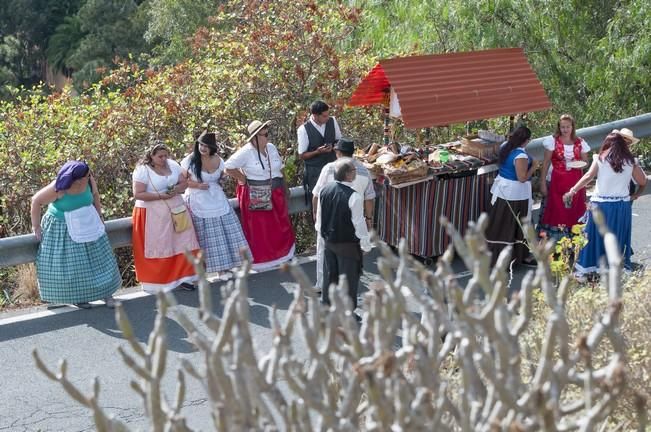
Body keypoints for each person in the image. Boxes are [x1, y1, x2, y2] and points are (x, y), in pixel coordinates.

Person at [31, 160, 120, 308]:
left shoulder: (89, 181)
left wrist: (100, 216)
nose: (90, 176)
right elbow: (36, 201)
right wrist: (36, 227)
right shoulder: (58, 188)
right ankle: (80, 298)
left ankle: (107, 294)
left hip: (89, 222)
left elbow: (96, 196)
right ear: (77, 179)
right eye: (87, 175)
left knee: (101, 260)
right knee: (76, 267)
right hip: (63, 227)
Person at [563, 128, 647, 281]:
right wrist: (636, 195)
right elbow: (643, 181)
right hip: (620, 205)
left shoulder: (600, 158)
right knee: (617, 236)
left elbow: (588, 176)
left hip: (599, 203)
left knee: (592, 237)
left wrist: (573, 190)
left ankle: (586, 271)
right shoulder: (631, 162)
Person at [224, 120, 296, 270]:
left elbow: (280, 168)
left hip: (275, 191)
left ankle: (284, 255)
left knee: (281, 224)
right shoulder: (245, 152)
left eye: (268, 133)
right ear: (255, 137)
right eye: (265, 135)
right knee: (262, 228)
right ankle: (264, 261)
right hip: (257, 192)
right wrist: (243, 179)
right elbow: (228, 167)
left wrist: (285, 186)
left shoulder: (271, 148)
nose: (268, 137)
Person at [132, 141, 200, 293]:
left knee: (182, 242)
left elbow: (184, 182)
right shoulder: (142, 170)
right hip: (153, 213)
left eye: (165, 155)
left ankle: (185, 278)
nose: (163, 159)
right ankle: (160, 281)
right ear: (151, 156)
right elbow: (138, 193)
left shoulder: (173, 165)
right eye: (160, 156)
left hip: (176, 209)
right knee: (161, 244)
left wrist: (176, 189)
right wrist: (160, 195)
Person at [180, 131, 250, 275]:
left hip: (217, 198)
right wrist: (197, 185)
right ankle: (218, 270)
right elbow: (181, 182)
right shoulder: (190, 160)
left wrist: (223, 180)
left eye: (206, 145)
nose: (203, 148)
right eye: (201, 144)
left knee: (229, 232)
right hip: (198, 199)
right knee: (210, 237)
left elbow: (222, 177)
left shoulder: (218, 160)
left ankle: (230, 266)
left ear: (212, 147)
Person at [312, 138, 376, 290]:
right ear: (352, 153)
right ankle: (346, 287)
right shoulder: (363, 170)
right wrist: (368, 218)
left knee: (323, 252)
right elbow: (369, 198)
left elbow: (316, 194)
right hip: (351, 222)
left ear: (338, 152)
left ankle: (322, 285)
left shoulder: (329, 168)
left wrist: (316, 213)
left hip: (327, 220)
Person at [317, 159, 372, 315]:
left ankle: (327, 308)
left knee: (330, 277)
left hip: (329, 242)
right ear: (348, 175)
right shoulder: (354, 196)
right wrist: (366, 245)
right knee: (348, 280)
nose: (355, 173)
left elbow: (321, 217)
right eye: (354, 170)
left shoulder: (325, 190)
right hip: (347, 245)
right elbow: (359, 224)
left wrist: (322, 235)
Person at [484, 126, 538, 266]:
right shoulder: (520, 156)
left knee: (500, 225)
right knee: (513, 226)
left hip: (502, 191)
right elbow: (522, 177)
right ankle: (512, 259)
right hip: (515, 195)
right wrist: (534, 167)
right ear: (526, 140)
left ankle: (495, 256)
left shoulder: (505, 146)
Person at [540, 114, 591, 230]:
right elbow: (546, 162)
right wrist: (542, 182)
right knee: (558, 209)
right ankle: (558, 237)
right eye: (563, 127)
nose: (565, 130)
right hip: (557, 181)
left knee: (575, 208)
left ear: (572, 127)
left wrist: (580, 165)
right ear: (559, 127)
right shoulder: (553, 141)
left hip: (576, 181)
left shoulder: (580, 142)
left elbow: (586, 162)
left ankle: (574, 237)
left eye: (568, 127)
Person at [297, 100, 342, 205]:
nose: (327, 118)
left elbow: (339, 141)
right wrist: (317, 152)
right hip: (315, 173)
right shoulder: (303, 129)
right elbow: (302, 155)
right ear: (315, 115)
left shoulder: (332, 121)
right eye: (324, 116)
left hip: (333, 169)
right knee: (319, 203)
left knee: (335, 201)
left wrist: (334, 146)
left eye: (328, 115)